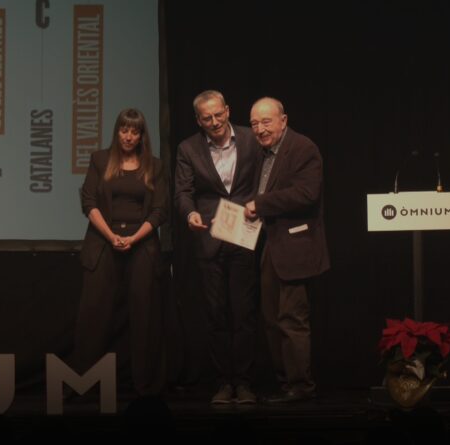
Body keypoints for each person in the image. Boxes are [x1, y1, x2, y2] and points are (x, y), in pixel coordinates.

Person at [73, 108, 168, 396]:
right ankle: (85, 385)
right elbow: (89, 202)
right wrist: (112, 236)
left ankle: (145, 387)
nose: (128, 136)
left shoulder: (155, 166)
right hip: (103, 242)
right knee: (94, 315)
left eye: (134, 132)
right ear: (117, 132)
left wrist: (134, 238)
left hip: (142, 245)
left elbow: (159, 210)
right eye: (124, 130)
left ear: (141, 136)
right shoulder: (100, 160)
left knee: (144, 317)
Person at [174, 90, 262, 404]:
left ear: (227, 110)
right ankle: (224, 382)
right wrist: (190, 214)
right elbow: (183, 191)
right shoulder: (188, 148)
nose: (214, 122)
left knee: (244, 313)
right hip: (209, 236)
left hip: (244, 232)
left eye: (218, 115)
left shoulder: (251, 139)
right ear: (198, 121)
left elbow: (266, 178)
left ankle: (245, 383)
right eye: (207, 118)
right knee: (216, 315)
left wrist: (261, 204)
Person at [244, 97, 330, 403]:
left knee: (292, 319)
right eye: (254, 124)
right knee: (271, 319)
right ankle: (285, 383)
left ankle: (301, 386)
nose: (260, 129)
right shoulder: (262, 154)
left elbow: (306, 194)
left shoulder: (303, 148)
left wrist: (260, 204)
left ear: (283, 120)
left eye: (266, 122)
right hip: (270, 245)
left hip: (296, 247)